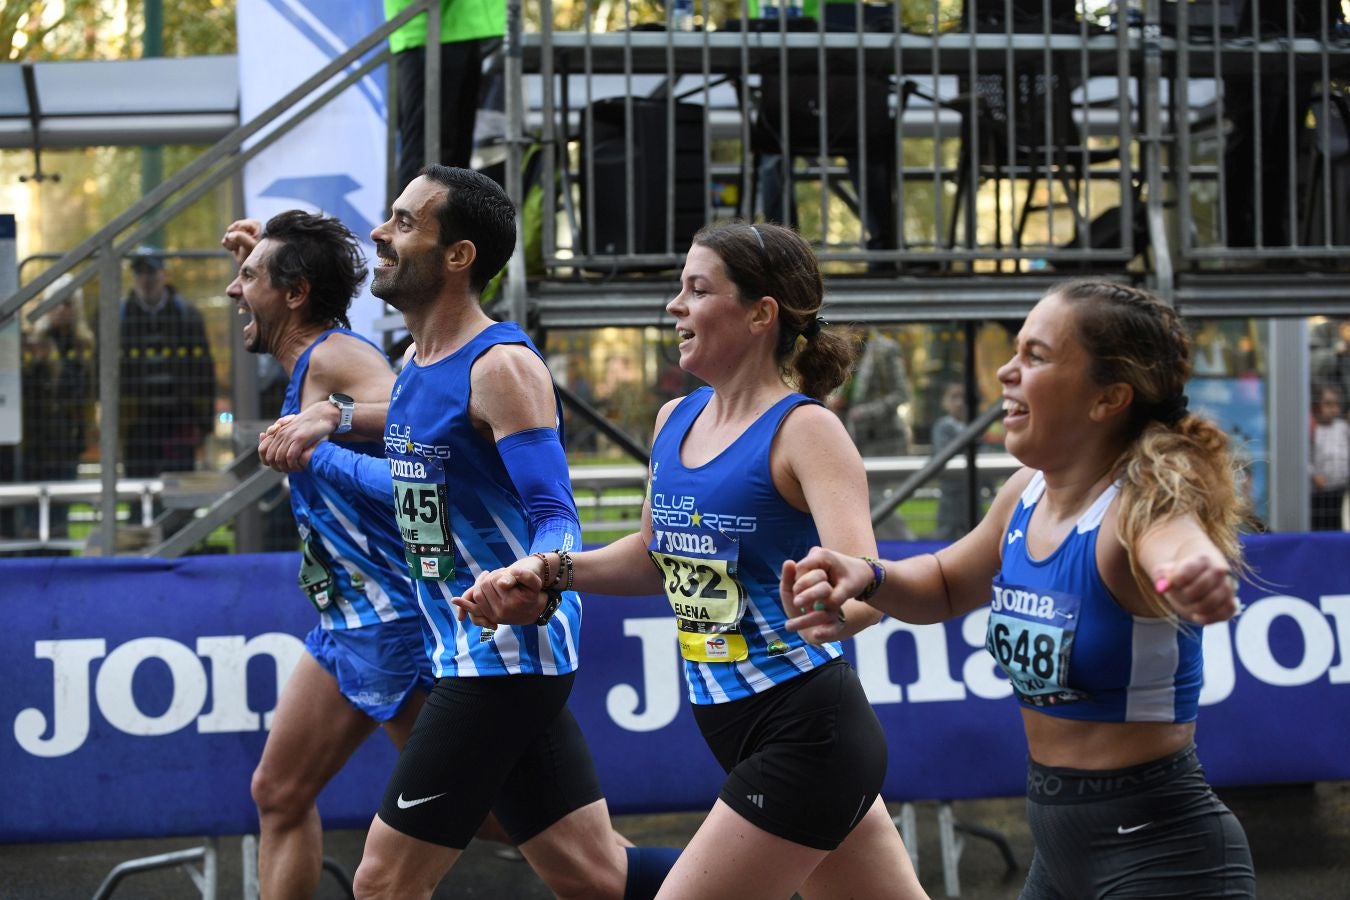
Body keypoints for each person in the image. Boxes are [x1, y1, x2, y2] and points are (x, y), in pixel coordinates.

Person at [455, 221, 927, 899]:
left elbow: (866, 588)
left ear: (761, 314)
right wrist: (550, 571)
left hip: (807, 731)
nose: (674, 305)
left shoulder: (807, 430)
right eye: (678, 288)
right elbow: (654, 559)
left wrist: (835, 608)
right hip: (739, 729)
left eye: (697, 289)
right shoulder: (674, 419)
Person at [257, 166, 677, 900]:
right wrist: (328, 430)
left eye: (404, 223)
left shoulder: (502, 367)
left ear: (458, 256)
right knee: (595, 876)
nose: (381, 236)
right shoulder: (419, 366)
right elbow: (409, 487)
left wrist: (537, 574)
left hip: (505, 652)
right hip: (468, 650)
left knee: (383, 883)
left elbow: (556, 512)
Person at [784, 280, 1256, 897]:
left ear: (1108, 397)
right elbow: (948, 583)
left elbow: (1176, 541)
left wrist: (1192, 572)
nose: (1007, 372)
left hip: (1166, 859)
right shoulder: (1025, 494)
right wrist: (869, 578)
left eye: (1036, 357)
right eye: (1016, 352)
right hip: (1060, 858)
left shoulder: (1141, 505)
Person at [220, 210, 454, 899]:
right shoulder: (313, 359)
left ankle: (640, 878)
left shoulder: (337, 358)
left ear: (295, 296)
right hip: (349, 623)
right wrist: (264, 257)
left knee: (509, 820)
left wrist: (321, 444)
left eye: (248, 278)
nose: (236, 292)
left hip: (396, 627)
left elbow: (423, 447)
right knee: (279, 791)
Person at [119, 247, 216, 478]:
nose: (146, 279)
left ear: (164, 274)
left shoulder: (188, 315)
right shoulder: (118, 317)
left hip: (179, 422)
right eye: (140, 273)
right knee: (138, 489)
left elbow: (204, 370)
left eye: (151, 272)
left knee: (181, 489)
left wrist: (203, 424)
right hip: (137, 426)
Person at [385, 0, 503, 191]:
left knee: (455, 162)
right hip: (427, 27)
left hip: (463, 27)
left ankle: (447, 220)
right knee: (425, 157)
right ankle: (407, 221)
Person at [18, 275, 96, 540]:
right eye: (57, 303)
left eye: (68, 303)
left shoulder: (83, 345)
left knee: (60, 515)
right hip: (34, 442)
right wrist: (38, 361)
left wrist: (87, 428)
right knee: (31, 515)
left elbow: (86, 392)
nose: (62, 309)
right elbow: (26, 388)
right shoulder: (32, 342)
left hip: (66, 442)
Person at [931, 379, 971, 540]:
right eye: (953, 397)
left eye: (963, 397)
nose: (959, 403)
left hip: (970, 494)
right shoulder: (943, 426)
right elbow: (943, 453)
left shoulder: (975, 424)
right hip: (950, 495)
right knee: (946, 534)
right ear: (944, 402)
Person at [1311, 384, 1349, 531]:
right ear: (1316, 406)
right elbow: (1305, 458)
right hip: (1320, 491)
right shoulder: (1313, 429)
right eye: (1328, 404)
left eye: (1336, 404)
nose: (1333, 409)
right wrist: (1314, 474)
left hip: (1342, 489)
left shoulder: (1342, 427)